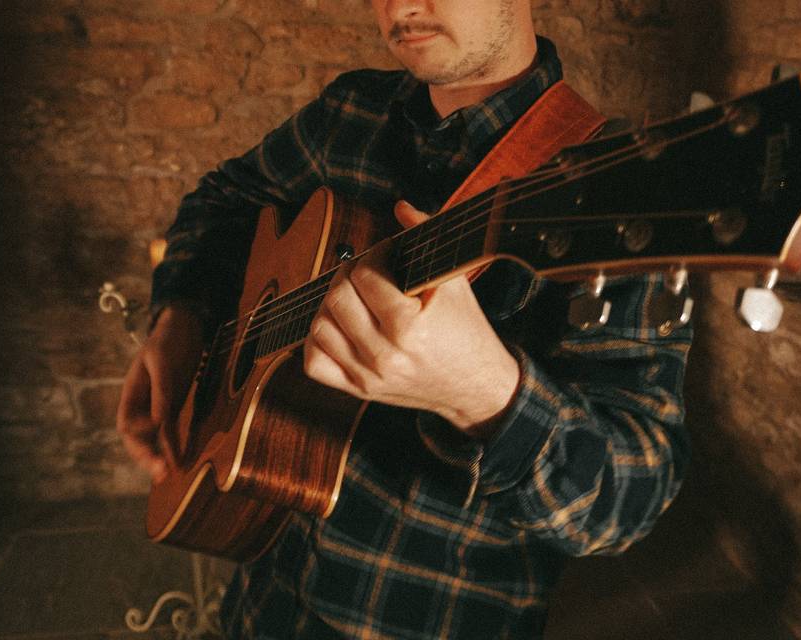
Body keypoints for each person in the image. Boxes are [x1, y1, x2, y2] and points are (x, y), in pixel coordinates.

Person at [117, 0, 692, 637]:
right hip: (261, 597)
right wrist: (179, 321)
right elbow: (225, 198)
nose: (401, 8)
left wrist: (484, 391)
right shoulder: (352, 111)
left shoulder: (623, 186)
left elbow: (631, 497)